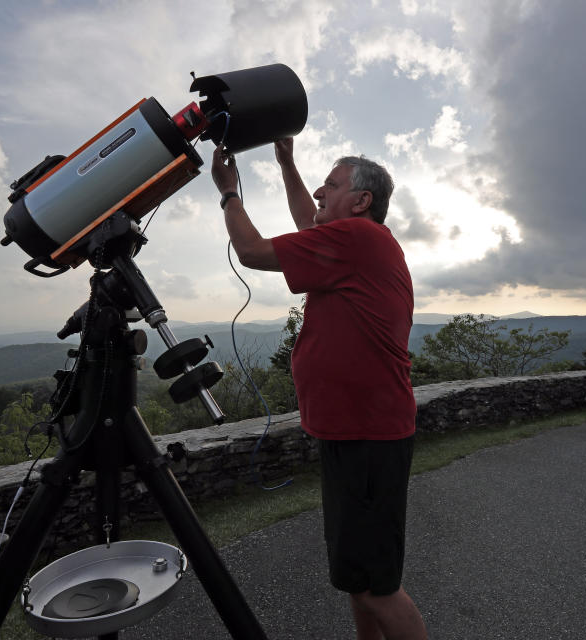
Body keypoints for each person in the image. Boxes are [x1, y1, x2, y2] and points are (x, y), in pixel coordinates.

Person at [209, 138, 428, 640]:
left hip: (370, 437)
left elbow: (250, 251)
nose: (320, 193)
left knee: (379, 586)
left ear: (361, 201)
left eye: (331, 185)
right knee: (357, 578)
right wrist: (286, 163)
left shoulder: (358, 239)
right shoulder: (351, 241)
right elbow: (309, 218)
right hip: (353, 434)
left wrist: (227, 193)